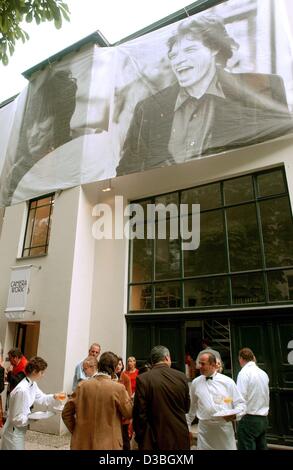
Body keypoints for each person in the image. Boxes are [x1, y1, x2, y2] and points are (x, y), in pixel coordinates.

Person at [116, 13, 292, 176]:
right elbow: (127, 171)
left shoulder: (262, 89)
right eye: (173, 55)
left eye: (190, 50)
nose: (179, 60)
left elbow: (283, 149)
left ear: (214, 49)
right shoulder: (148, 109)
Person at [0, 68, 77, 205]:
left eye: (42, 120)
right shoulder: (16, 170)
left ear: (59, 123)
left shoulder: (72, 155)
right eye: (31, 123)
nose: (34, 132)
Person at [62, 351, 133, 450]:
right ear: (114, 368)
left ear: (99, 365)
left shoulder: (82, 386)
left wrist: (77, 431)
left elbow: (66, 413)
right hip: (109, 444)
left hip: (82, 443)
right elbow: (129, 413)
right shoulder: (118, 388)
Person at [133, 345, 190, 450]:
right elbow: (186, 407)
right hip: (179, 435)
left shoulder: (143, 379)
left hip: (154, 437)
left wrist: (141, 436)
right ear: (167, 358)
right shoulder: (181, 376)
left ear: (152, 361)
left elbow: (139, 413)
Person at [186, 351, 246, 450]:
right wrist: (187, 427)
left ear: (213, 365)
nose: (199, 366)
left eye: (203, 364)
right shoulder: (195, 383)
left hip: (223, 429)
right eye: (199, 363)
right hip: (205, 431)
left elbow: (241, 404)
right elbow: (191, 407)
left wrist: (235, 415)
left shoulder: (228, 382)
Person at [0, 356, 62, 450]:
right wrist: (33, 418)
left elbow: (41, 398)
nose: (43, 375)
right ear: (34, 371)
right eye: (42, 372)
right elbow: (16, 418)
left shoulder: (32, 383)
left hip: (19, 430)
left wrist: (54, 396)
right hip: (13, 432)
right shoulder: (22, 390)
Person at [236, 347, 270, 450]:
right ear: (253, 358)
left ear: (241, 359)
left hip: (249, 419)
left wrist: (236, 417)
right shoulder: (263, 373)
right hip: (263, 419)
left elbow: (241, 397)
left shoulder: (244, 373)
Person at [115, 357, 132, 450]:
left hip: (122, 413)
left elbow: (128, 397)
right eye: (116, 364)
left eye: (120, 364)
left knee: (125, 437)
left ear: (122, 366)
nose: (118, 366)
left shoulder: (125, 378)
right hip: (113, 413)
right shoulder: (111, 377)